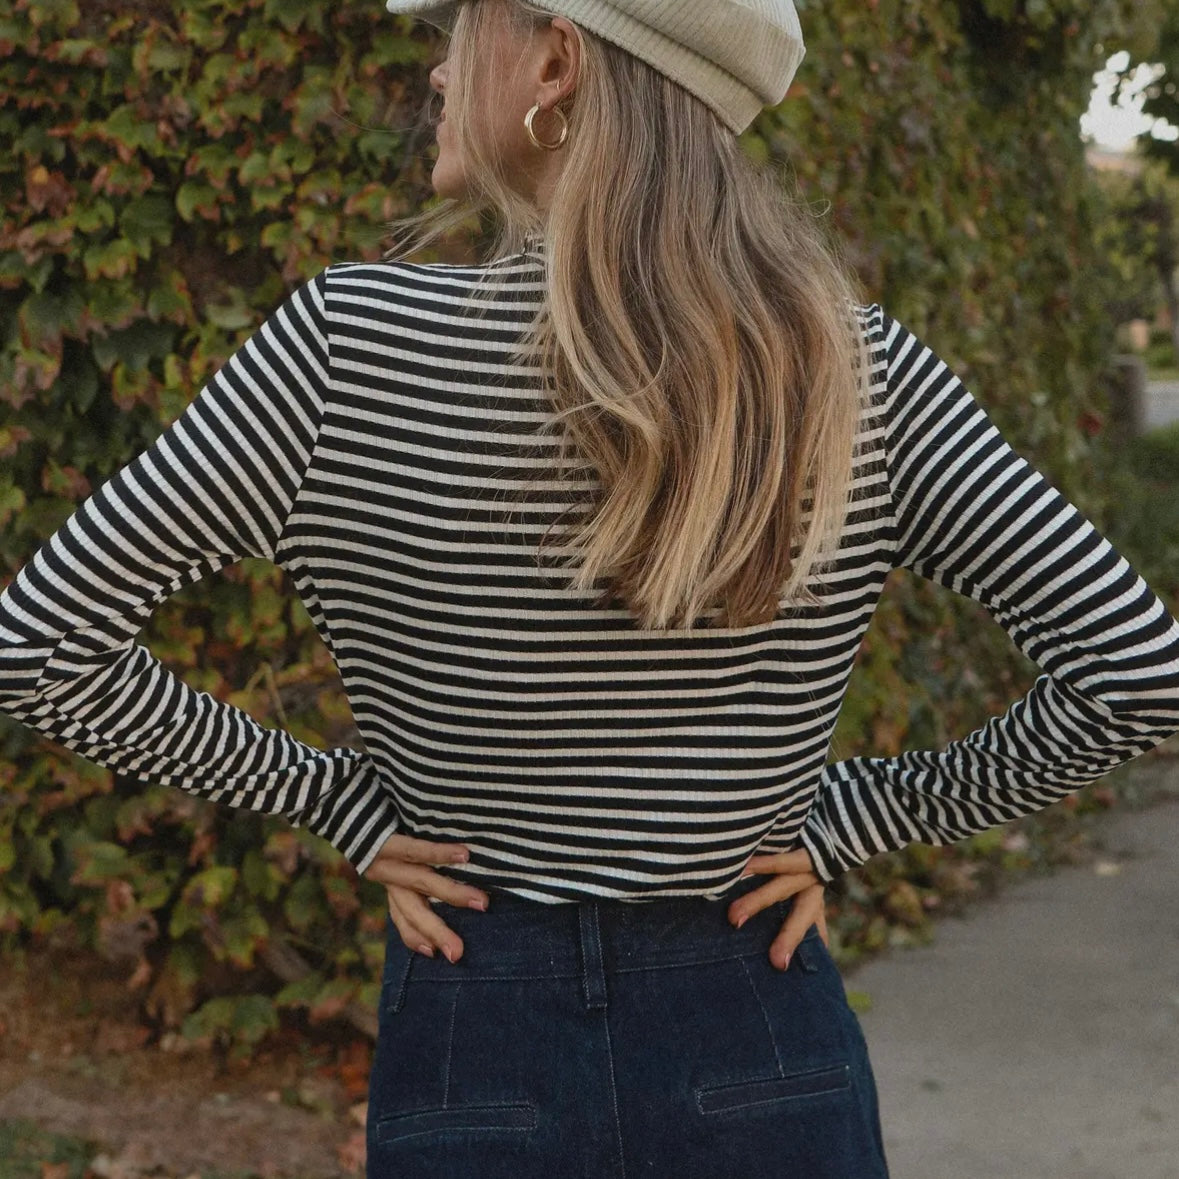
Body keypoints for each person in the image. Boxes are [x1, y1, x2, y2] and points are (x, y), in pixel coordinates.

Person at [2, 0, 1178, 1174]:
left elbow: (35, 650)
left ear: (557, 62)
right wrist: (857, 822)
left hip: (475, 1024)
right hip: (758, 1022)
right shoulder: (854, 370)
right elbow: (1139, 675)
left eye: (463, 22)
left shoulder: (340, 355)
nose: (435, 64)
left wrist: (341, 806)